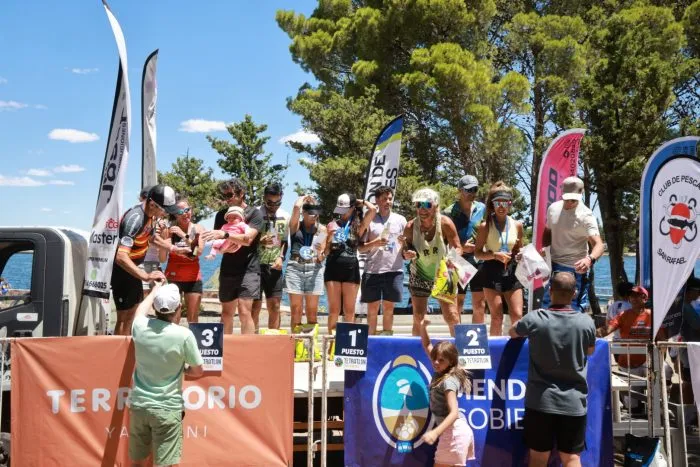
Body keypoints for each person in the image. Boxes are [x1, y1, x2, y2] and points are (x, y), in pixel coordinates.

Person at [508, 272, 596, 467]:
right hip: (574, 402)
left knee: (539, 457)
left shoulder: (535, 318)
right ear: (574, 293)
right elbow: (590, 351)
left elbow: (512, 331)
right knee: (571, 458)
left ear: (550, 291)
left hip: (541, 401)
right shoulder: (586, 322)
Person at [128, 280, 204, 467]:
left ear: (155, 307)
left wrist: (155, 289)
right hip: (167, 408)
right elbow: (197, 371)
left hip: (139, 406)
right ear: (179, 307)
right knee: (166, 464)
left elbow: (140, 311)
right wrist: (182, 369)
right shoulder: (183, 335)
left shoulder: (140, 326)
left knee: (137, 462)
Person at [111, 184, 180, 336]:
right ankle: (118, 349)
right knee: (123, 317)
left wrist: (173, 248)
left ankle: (129, 345)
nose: (166, 214)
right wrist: (146, 276)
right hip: (123, 270)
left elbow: (151, 236)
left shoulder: (151, 215)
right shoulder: (135, 219)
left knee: (134, 313)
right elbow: (121, 257)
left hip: (133, 270)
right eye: (164, 210)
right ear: (152, 204)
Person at [201, 179, 264, 335]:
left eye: (229, 195)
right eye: (224, 196)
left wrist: (227, 235)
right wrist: (222, 248)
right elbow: (218, 241)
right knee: (226, 313)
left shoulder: (254, 213)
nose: (227, 199)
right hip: (228, 269)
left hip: (249, 269)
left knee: (244, 311)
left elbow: (248, 239)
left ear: (241, 193)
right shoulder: (222, 215)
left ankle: (247, 348)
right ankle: (226, 347)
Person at [402, 188, 462, 337]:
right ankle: (417, 348)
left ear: (436, 205)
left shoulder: (445, 223)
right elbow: (404, 250)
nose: (422, 209)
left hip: (443, 273)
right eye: (419, 205)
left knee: (452, 315)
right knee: (418, 317)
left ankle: (458, 348)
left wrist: (452, 258)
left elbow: (458, 247)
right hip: (420, 273)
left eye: (427, 205)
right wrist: (407, 253)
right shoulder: (410, 226)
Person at [542, 176, 604, 312]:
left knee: (573, 309)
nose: (569, 202)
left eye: (574, 200)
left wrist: (589, 259)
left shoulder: (586, 216)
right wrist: (544, 250)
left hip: (575, 269)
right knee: (548, 306)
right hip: (552, 266)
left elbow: (599, 245)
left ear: (581, 194)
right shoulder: (553, 208)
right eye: (567, 198)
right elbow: (547, 231)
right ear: (562, 192)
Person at [419, 318, 475, 466]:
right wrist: (423, 327)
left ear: (451, 361)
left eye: (441, 360)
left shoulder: (448, 381)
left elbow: (454, 412)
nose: (436, 362)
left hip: (454, 433)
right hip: (453, 433)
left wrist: (435, 432)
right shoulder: (441, 370)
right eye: (434, 359)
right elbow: (427, 344)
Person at [474, 181, 525, 336]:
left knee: (517, 315)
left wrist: (520, 254)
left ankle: (516, 347)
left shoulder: (517, 225)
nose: (501, 207)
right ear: (492, 204)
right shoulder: (485, 226)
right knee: (497, 316)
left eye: (505, 203)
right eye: (497, 203)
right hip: (491, 270)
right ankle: (495, 348)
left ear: (510, 204)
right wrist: (494, 255)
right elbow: (477, 253)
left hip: (511, 270)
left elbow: (518, 249)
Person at [324, 193, 376, 333]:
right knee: (334, 310)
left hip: (351, 270)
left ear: (352, 208)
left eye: (345, 209)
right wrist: (329, 239)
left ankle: (346, 342)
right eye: (340, 209)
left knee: (349, 310)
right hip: (332, 269)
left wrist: (361, 201)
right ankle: (332, 342)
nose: (341, 213)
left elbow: (373, 210)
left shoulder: (358, 226)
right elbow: (326, 252)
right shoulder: (332, 225)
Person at [358, 185, 407, 335]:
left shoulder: (400, 220)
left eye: (390, 199)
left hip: (394, 270)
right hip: (372, 271)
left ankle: (386, 340)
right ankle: (371, 341)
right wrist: (375, 243)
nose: (388, 202)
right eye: (384, 199)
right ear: (377, 201)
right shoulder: (370, 220)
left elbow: (407, 245)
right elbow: (360, 248)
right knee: (372, 310)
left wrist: (405, 244)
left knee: (389, 309)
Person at [443, 175, 487, 324]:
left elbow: (488, 231)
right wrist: (461, 246)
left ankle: (477, 336)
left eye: (475, 189)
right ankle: (457, 335)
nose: (472, 193)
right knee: (458, 303)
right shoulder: (449, 212)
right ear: (459, 190)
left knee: (479, 304)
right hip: (458, 259)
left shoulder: (482, 208)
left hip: (478, 258)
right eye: (468, 190)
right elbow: (443, 239)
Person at [252, 183, 289, 331]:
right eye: (269, 203)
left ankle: (273, 338)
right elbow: (245, 240)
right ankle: (253, 339)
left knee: (275, 306)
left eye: (277, 203)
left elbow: (284, 241)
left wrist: (281, 257)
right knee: (255, 306)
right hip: (254, 265)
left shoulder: (285, 216)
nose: (273, 206)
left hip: (274, 265)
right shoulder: (255, 213)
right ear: (264, 198)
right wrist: (258, 241)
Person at [286, 195, 326, 330]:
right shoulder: (296, 225)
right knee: (296, 310)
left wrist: (320, 252)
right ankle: (296, 341)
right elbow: (296, 207)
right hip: (295, 267)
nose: (314, 215)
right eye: (310, 212)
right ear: (303, 212)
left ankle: (311, 342)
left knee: (312, 311)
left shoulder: (321, 229)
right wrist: (304, 198)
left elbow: (321, 258)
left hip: (314, 267)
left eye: (316, 212)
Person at [162, 197, 205, 324]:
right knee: (173, 319)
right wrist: (162, 241)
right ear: (175, 214)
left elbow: (198, 252)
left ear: (191, 210)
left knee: (193, 319)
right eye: (180, 212)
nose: (185, 214)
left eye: (187, 210)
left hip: (193, 278)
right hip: (173, 277)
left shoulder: (198, 228)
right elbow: (162, 258)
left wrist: (183, 235)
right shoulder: (170, 230)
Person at [596, 285, 651, 375]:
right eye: (631, 296)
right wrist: (587, 332)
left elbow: (661, 338)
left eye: (637, 295)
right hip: (627, 364)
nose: (633, 298)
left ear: (645, 298)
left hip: (649, 362)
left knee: (666, 371)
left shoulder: (652, 316)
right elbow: (607, 329)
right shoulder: (623, 315)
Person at [139, 186, 161, 277]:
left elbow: (163, 257)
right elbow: (150, 240)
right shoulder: (138, 216)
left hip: (153, 263)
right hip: (140, 263)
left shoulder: (157, 219)